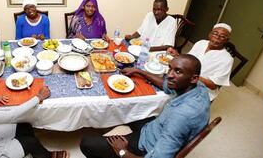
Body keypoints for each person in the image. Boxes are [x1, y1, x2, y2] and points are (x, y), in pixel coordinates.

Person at [80, 54, 210, 158]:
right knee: (130, 106)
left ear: (193, 78)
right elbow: (165, 85)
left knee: (86, 143)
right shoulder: (198, 86)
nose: (169, 75)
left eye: (178, 71)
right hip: (154, 127)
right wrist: (139, 71)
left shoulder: (181, 116)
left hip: (146, 146)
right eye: (170, 68)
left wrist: (123, 152)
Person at [167, 23, 234, 101]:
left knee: (171, 99)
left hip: (201, 89)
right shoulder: (201, 43)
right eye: (215, 34)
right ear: (210, 34)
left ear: (227, 40)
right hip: (185, 79)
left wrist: (190, 76)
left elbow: (213, 85)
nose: (217, 38)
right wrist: (177, 55)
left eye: (222, 36)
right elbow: (189, 61)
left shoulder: (227, 59)